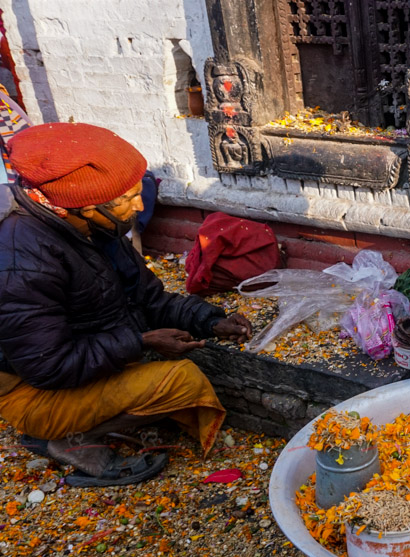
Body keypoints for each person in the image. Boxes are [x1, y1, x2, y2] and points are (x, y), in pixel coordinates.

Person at [0, 122, 253, 487]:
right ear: (85, 206)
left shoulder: (97, 229)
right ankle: (66, 440)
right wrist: (141, 342)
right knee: (181, 381)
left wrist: (211, 320)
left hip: (76, 364)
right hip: (34, 391)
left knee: (174, 372)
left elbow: (149, 299)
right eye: (126, 198)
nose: (139, 205)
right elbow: (49, 367)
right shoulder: (22, 258)